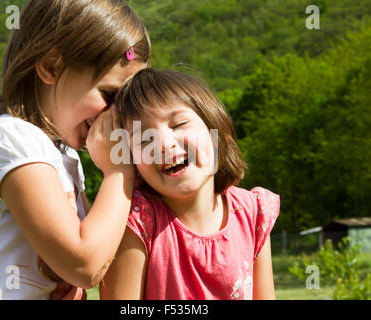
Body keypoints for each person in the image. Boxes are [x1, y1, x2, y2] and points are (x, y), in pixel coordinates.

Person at [0, 0, 150, 299]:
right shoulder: (9, 139)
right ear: (51, 67)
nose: (116, 114)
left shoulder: (65, 158)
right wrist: (119, 170)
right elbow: (86, 265)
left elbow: (96, 254)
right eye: (109, 95)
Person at [99, 68, 280, 300]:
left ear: (217, 132)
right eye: (144, 139)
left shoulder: (254, 214)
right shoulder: (136, 222)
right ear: (133, 164)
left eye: (178, 124)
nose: (163, 144)